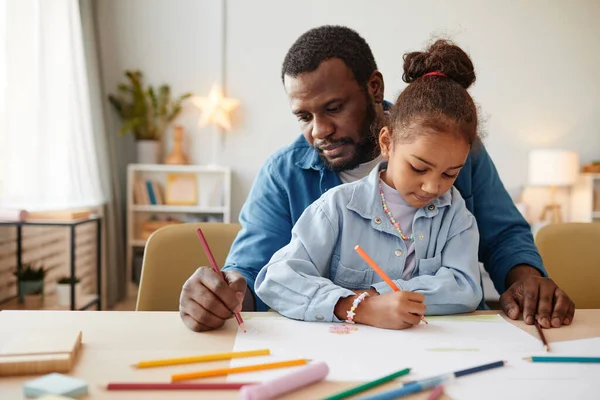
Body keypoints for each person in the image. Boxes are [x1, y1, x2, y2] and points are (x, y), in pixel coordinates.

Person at [179, 25, 575, 333]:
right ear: (388, 144)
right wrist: (221, 293)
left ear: (374, 87)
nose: (319, 130)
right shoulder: (285, 174)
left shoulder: (451, 146)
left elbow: (503, 236)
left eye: (333, 108)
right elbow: (255, 273)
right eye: (304, 116)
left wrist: (528, 280)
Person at [254, 39, 483, 329]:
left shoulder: (455, 215)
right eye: (419, 167)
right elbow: (277, 279)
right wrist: (357, 306)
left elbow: (465, 287)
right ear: (387, 143)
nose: (432, 186)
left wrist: (379, 294)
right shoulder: (336, 208)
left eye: (450, 174)